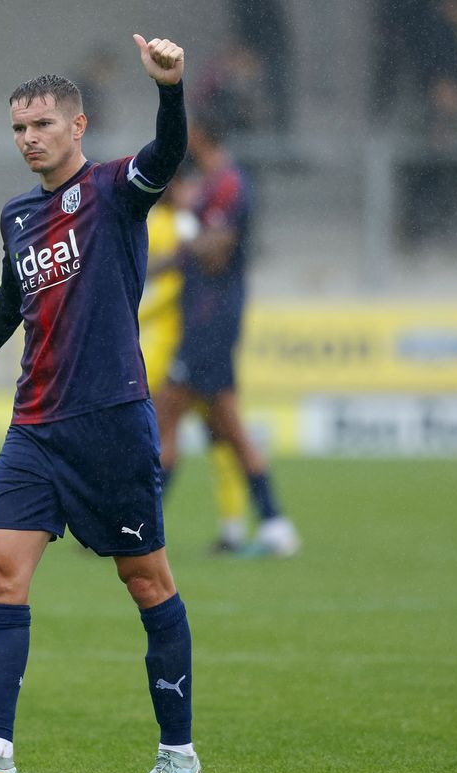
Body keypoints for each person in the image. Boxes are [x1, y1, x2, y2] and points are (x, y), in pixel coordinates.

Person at [0, 35, 202, 773]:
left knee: (147, 583)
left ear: (76, 126)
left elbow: (167, 156)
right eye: (17, 128)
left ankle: (178, 756)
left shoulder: (114, 189)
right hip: (34, 425)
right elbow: (12, 299)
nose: (28, 139)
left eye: (41, 124)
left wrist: (170, 88)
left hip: (110, 420)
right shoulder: (17, 217)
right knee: (0, 576)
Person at [151, 110, 299, 557]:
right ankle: (274, 522)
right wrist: (154, 266)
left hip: (213, 317)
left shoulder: (229, 183)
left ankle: (137, 528)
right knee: (224, 426)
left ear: (197, 134)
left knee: (170, 412)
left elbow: (216, 253)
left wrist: (185, 245)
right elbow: (198, 248)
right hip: (203, 316)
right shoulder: (209, 185)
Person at [140, 179, 251, 550]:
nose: (190, 191)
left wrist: (133, 315)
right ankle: (136, 524)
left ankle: (238, 526)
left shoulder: (194, 228)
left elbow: (173, 286)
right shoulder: (156, 220)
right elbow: (151, 278)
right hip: (168, 348)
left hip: (190, 347)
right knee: (166, 435)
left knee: (219, 434)